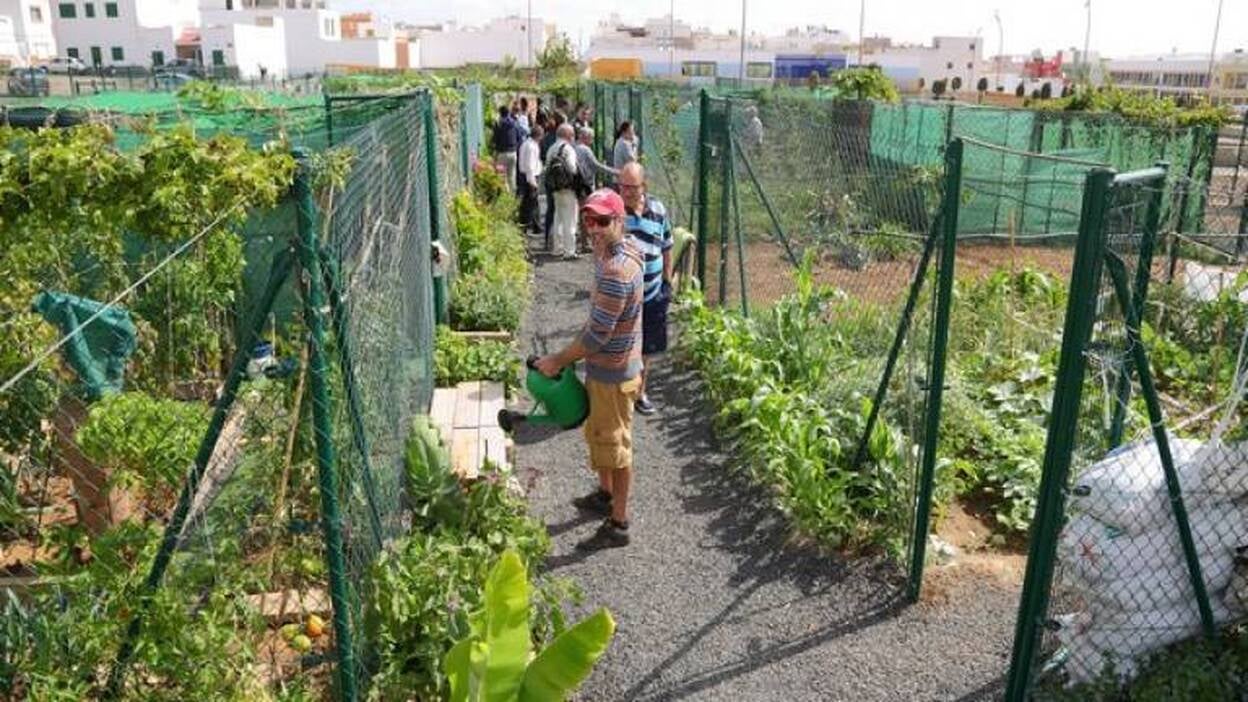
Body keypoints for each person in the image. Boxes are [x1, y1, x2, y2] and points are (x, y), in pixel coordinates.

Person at [535, 189, 643, 550]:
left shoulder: (615, 271)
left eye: (602, 221)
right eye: (588, 219)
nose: (593, 227)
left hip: (613, 376)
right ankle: (605, 494)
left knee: (616, 447)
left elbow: (596, 337)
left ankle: (619, 523)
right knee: (601, 436)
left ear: (620, 221)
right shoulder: (626, 251)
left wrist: (556, 361)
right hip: (616, 369)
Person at [617, 162, 672, 416]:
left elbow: (667, 245)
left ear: (644, 186)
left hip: (653, 292)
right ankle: (621, 394)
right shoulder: (616, 213)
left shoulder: (658, 209)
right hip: (625, 296)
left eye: (632, 187)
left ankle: (640, 392)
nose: (627, 192)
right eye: (623, 187)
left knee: (647, 347)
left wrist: (667, 282)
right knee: (624, 344)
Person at [574, 127, 618, 253]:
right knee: (588, 214)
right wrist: (615, 172)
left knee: (582, 213)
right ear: (585, 137)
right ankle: (586, 242)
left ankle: (584, 241)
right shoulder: (585, 150)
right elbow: (596, 165)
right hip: (586, 185)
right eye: (591, 138)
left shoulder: (575, 148)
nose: (592, 140)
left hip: (578, 185)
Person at [545, 123, 580, 259]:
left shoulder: (551, 148)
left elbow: (547, 167)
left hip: (555, 188)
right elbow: (572, 168)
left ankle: (557, 247)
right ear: (568, 135)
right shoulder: (568, 149)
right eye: (572, 134)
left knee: (558, 217)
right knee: (569, 219)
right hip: (567, 188)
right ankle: (569, 250)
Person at [541, 111, 567, 249]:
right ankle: (558, 240)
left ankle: (548, 239)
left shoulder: (546, 138)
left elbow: (542, 156)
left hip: (549, 177)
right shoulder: (559, 141)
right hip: (561, 179)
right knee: (561, 210)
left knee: (551, 209)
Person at [517, 125, 544, 235]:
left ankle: (531, 225)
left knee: (529, 203)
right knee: (531, 203)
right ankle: (532, 226)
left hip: (526, 176)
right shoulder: (532, 147)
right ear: (539, 135)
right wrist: (532, 181)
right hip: (530, 176)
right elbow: (530, 165)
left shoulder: (527, 144)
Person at [491, 105, 522, 194]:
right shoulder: (515, 123)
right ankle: (512, 196)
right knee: (511, 176)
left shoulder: (499, 124)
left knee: (501, 177)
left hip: (502, 153)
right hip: (513, 153)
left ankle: (506, 195)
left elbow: (495, 140)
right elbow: (520, 138)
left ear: (500, 113)